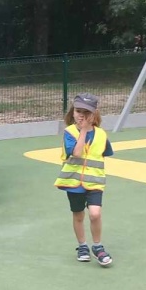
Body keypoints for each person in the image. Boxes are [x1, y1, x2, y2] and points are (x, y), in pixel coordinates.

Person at [56, 92, 114, 266]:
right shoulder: (69, 132)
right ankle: (82, 246)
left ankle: (97, 246)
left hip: (95, 181)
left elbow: (105, 153)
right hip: (73, 182)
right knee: (79, 215)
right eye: (78, 111)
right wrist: (82, 131)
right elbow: (76, 153)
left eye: (86, 112)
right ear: (73, 112)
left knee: (95, 214)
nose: (82, 115)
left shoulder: (102, 134)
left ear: (94, 114)